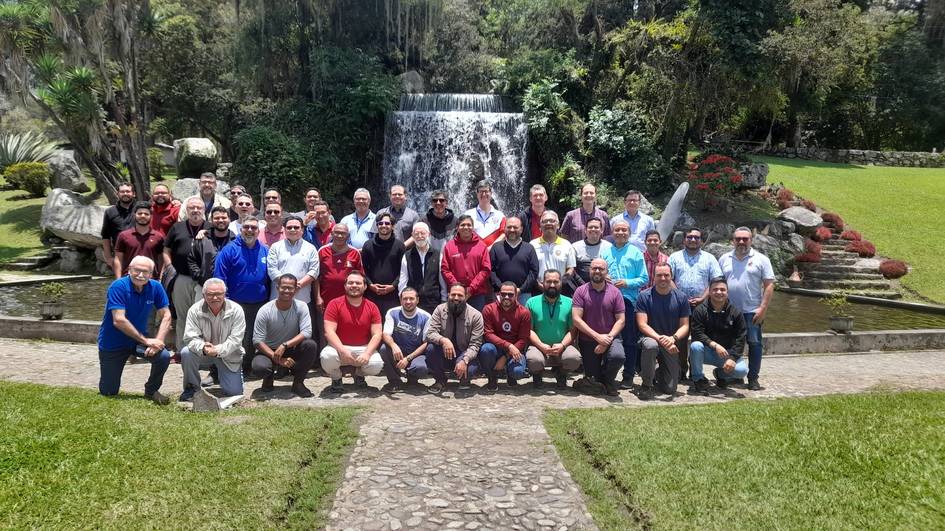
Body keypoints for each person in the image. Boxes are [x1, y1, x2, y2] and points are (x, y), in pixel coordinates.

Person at [97, 256, 172, 404]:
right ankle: (109, 384)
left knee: (163, 357)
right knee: (109, 392)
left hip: (136, 341)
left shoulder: (155, 287)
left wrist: (158, 341)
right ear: (129, 270)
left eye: (146, 272)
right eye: (137, 270)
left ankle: (151, 391)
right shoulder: (118, 286)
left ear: (151, 274)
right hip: (113, 343)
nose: (141, 275)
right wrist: (146, 341)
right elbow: (118, 320)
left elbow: (167, 315)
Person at [718, 227, 775, 391]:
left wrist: (763, 309)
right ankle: (727, 375)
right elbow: (718, 284)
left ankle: (753, 378)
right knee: (728, 344)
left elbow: (769, 285)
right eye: (738, 239)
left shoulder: (761, 259)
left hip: (752, 312)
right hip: (728, 311)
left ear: (751, 240)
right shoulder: (724, 258)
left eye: (745, 239)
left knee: (754, 344)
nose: (741, 242)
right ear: (732, 240)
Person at [213, 216, 269, 372]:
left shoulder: (265, 250)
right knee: (230, 336)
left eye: (253, 228)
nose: (249, 230)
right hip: (235, 303)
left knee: (252, 337)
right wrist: (225, 301)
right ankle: (218, 371)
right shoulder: (229, 250)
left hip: (259, 303)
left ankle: (247, 366)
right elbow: (219, 278)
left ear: (259, 231)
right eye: (246, 227)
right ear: (241, 229)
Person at [668, 227, 722, 379]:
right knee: (680, 339)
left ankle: (695, 371)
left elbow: (716, 280)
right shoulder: (674, 257)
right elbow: (668, 278)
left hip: (702, 306)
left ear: (701, 240)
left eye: (696, 237)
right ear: (684, 239)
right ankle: (680, 370)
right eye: (689, 237)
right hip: (679, 306)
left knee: (699, 340)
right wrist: (680, 296)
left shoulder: (710, 258)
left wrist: (704, 297)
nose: (693, 240)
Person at [252, 274, 318, 398]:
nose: (286, 291)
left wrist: (284, 345)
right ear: (277, 288)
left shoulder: (301, 306)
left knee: (310, 345)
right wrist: (277, 358)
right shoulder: (265, 310)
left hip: (289, 348)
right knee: (259, 367)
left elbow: (307, 332)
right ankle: (268, 378)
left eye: (290, 288)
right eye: (283, 287)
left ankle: (298, 383)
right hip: (268, 350)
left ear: (296, 289)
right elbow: (257, 340)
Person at [179, 278, 245, 400]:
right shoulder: (194, 310)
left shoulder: (236, 310)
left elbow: (236, 340)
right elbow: (189, 337)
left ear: (225, 294)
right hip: (204, 353)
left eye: (219, 294)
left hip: (228, 354)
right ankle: (192, 388)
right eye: (210, 294)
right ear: (203, 295)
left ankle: (221, 375)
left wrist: (218, 350)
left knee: (234, 393)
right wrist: (203, 347)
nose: (214, 298)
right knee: (186, 353)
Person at [321, 271, 385, 393]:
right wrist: (342, 350)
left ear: (365, 286)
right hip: (339, 347)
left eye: (358, 283)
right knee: (327, 357)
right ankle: (336, 378)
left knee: (376, 365)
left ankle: (359, 374)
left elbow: (377, 334)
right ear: (345, 286)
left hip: (363, 348)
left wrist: (367, 354)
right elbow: (329, 331)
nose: (354, 285)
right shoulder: (334, 304)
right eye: (350, 283)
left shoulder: (372, 307)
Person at [603, 219, 649, 389]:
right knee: (610, 336)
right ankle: (607, 373)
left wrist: (627, 282)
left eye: (624, 230)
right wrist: (604, 277)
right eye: (617, 230)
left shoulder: (636, 252)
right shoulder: (606, 252)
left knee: (630, 340)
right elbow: (599, 271)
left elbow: (644, 278)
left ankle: (628, 376)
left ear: (629, 233)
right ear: (612, 233)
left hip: (628, 302)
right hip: (608, 301)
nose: (620, 232)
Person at [635, 262, 691, 400]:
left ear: (671, 277)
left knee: (670, 389)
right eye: (659, 275)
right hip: (650, 338)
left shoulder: (681, 297)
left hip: (670, 342)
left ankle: (657, 372)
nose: (663, 278)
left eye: (666, 275)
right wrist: (660, 338)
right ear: (653, 277)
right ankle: (646, 384)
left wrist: (673, 339)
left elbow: (685, 326)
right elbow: (642, 325)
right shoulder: (644, 296)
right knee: (651, 345)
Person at [571, 258, 626, 396]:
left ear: (606, 272)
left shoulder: (615, 292)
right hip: (588, 340)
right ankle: (600, 378)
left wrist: (607, 339)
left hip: (611, 337)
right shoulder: (580, 291)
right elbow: (576, 319)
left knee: (618, 356)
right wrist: (597, 337)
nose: (597, 271)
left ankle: (608, 381)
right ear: (589, 271)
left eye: (601, 269)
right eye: (594, 268)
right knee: (593, 378)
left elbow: (621, 320)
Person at [689, 277, 748, 395]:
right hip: (707, 352)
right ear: (709, 292)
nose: (719, 292)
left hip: (726, 353)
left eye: (722, 289)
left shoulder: (736, 312)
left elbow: (741, 337)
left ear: (727, 292)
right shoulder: (700, 310)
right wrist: (715, 345)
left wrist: (733, 358)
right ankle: (698, 379)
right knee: (695, 346)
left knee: (742, 371)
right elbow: (697, 334)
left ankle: (720, 374)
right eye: (715, 289)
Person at [163, 197, 207, 349]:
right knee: (182, 315)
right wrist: (170, 267)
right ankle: (181, 349)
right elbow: (166, 250)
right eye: (192, 208)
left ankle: (199, 350)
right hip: (181, 277)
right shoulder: (177, 227)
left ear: (204, 210)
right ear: (186, 210)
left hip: (203, 280)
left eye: (199, 208)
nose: (195, 210)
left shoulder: (210, 227)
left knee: (201, 316)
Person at [424, 283, 485, 394]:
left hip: (463, 352)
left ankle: (464, 379)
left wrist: (465, 359)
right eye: (453, 295)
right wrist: (443, 340)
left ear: (466, 297)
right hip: (444, 352)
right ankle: (440, 380)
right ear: (448, 295)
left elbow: (475, 345)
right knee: (430, 349)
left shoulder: (476, 315)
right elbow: (430, 333)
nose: (456, 298)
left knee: (470, 370)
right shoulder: (439, 309)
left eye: (460, 295)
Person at [525, 269, 580, 389]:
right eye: (548, 281)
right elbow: (529, 330)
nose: (552, 285)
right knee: (533, 360)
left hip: (562, 347)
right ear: (542, 283)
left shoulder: (570, 303)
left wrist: (562, 345)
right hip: (538, 347)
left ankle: (561, 373)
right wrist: (541, 346)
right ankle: (537, 374)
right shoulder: (531, 302)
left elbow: (573, 331)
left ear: (561, 283)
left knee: (574, 359)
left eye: (556, 281)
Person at [379, 288, 433, 392]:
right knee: (383, 349)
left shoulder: (426, 317)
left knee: (421, 368)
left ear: (417, 300)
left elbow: (426, 342)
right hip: (398, 351)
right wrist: (394, 346)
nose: (408, 302)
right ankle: (395, 381)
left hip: (416, 353)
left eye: (411, 298)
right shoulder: (392, 312)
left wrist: (408, 358)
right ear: (400, 300)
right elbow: (385, 334)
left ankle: (412, 380)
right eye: (405, 299)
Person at [480, 282, 532, 390]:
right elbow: (488, 334)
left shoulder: (524, 313)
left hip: (516, 349)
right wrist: (508, 346)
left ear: (516, 295)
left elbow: (523, 339)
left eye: (510, 294)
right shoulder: (489, 309)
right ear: (499, 294)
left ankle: (510, 374)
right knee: (486, 349)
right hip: (496, 348)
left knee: (517, 372)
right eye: (503, 294)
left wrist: (506, 356)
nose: (506, 297)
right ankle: (492, 376)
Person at [440, 214, 491, 311]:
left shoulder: (481, 246)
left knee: (476, 323)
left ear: (473, 227)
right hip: (456, 295)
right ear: (457, 228)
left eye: (469, 225)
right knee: (454, 323)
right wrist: (457, 287)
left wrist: (471, 289)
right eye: (463, 225)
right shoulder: (449, 246)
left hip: (477, 294)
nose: (466, 227)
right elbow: (445, 269)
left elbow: (485, 270)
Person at [361, 212, 406, 318]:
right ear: (377, 226)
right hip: (371, 293)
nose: (384, 226)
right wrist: (370, 284)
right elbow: (363, 268)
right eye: (380, 223)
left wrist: (393, 285)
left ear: (393, 226)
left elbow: (403, 271)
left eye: (387, 223)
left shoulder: (399, 246)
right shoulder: (368, 245)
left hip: (393, 294)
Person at [266, 215, 319, 304]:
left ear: (302, 230)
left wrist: (297, 285)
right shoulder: (275, 247)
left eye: (296, 227)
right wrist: (288, 286)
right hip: (278, 298)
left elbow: (314, 271)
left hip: (302, 298)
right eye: (289, 227)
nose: (293, 230)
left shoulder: (311, 248)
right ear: (285, 230)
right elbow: (272, 270)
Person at [399, 222, 446, 314]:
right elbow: (403, 280)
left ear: (428, 234)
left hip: (433, 301)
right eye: (416, 234)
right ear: (412, 235)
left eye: (422, 233)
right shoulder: (407, 255)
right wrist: (402, 297)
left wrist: (444, 299)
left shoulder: (437, 255)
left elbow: (442, 280)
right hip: (413, 303)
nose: (420, 236)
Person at [489, 216, 539, 304]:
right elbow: (491, 271)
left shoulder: (529, 248)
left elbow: (534, 272)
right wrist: (502, 288)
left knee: (523, 317)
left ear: (521, 229)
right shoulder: (496, 247)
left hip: (524, 294)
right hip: (501, 293)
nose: (512, 230)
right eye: (509, 227)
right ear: (504, 229)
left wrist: (521, 289)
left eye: (515, 227)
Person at [317, 223, 365, 311]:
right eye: (337, 232)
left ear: (348, 236)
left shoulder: (355, 253)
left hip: (349, 299)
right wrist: (318, 297)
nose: (340, 235)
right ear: (331, 234)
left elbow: (361, 278)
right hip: (326, 299)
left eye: (343, 233)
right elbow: (316, 277)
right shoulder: (322, 251)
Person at [113, 201, 166, 279]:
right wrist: (118, 279)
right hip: (128, 278)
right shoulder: (124, 235)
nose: (143, 216)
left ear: (151, 216)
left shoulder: (158, 237)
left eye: (146, 214)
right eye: (140, 213)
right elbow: (118, 259)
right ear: (134, 215)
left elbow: (162, 261)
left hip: (151, 278)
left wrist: (160, 278)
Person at [187, 206, 235, 287]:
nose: (220, 220)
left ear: (229, 219)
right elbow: (192, 260)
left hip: (230, 287)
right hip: (205, 286)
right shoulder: (202, 239)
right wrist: (199, 276)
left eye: (224, 217)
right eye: (217, 218)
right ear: (211, 220)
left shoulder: (235, 241)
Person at [530, 211, 576, 282]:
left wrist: (561, 282)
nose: (548, 223)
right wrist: (538, 285)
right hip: (537, 288)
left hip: (561, 287)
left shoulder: (567, 245)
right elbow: (529, 269)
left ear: (558, 225)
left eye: (552, 221)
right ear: (540, 225)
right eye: (545, 221)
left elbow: (571, 268)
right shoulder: (532, 245)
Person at [101, 182, 137, 272]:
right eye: (122, 191)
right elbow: (105, 236)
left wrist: (175, 201)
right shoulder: (110, 212)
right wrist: (109, 258)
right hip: (120, 256)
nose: (125, 194)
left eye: (128, 191)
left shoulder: (141, 209)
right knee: (122, 283)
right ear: (117, 194)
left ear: (133, 194)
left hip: (140, 254)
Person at [463, 180, 505, 248]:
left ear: (491, 193)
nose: (484, 194)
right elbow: (462, 234)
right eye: (481, 192)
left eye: (486, 191)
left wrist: (490, 248)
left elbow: (504, 234)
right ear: (477, 194)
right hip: (473, 253)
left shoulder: (500, 215)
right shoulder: (468, 215)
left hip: (493, 254)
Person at [572, 217, 612, 284]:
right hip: (579, 286)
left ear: (601, 230)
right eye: (590, 227)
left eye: (596, 227)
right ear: (585, 230)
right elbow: (572, 270)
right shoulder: (575, 247)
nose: (593, 229)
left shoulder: (609, 247)